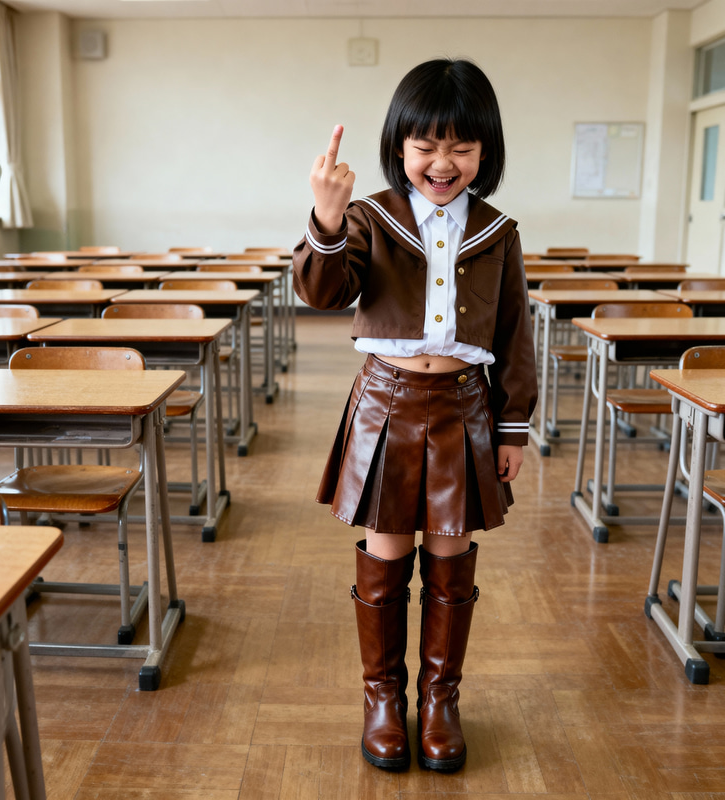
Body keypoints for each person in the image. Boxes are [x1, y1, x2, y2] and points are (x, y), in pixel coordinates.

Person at [292, 58, 537, 773]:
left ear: (484, 152)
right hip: (389, 405)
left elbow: (515, 334)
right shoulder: (370, 217)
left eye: (461, 148)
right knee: (389, 550)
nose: (442, 162)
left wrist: (512, 425)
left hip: (465, 406)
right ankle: (381, 698)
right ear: (399, 147)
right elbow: (323, 291)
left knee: (452, 554)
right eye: (426, 146)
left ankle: (440, 700)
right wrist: (328, 220)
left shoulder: (497, 231)